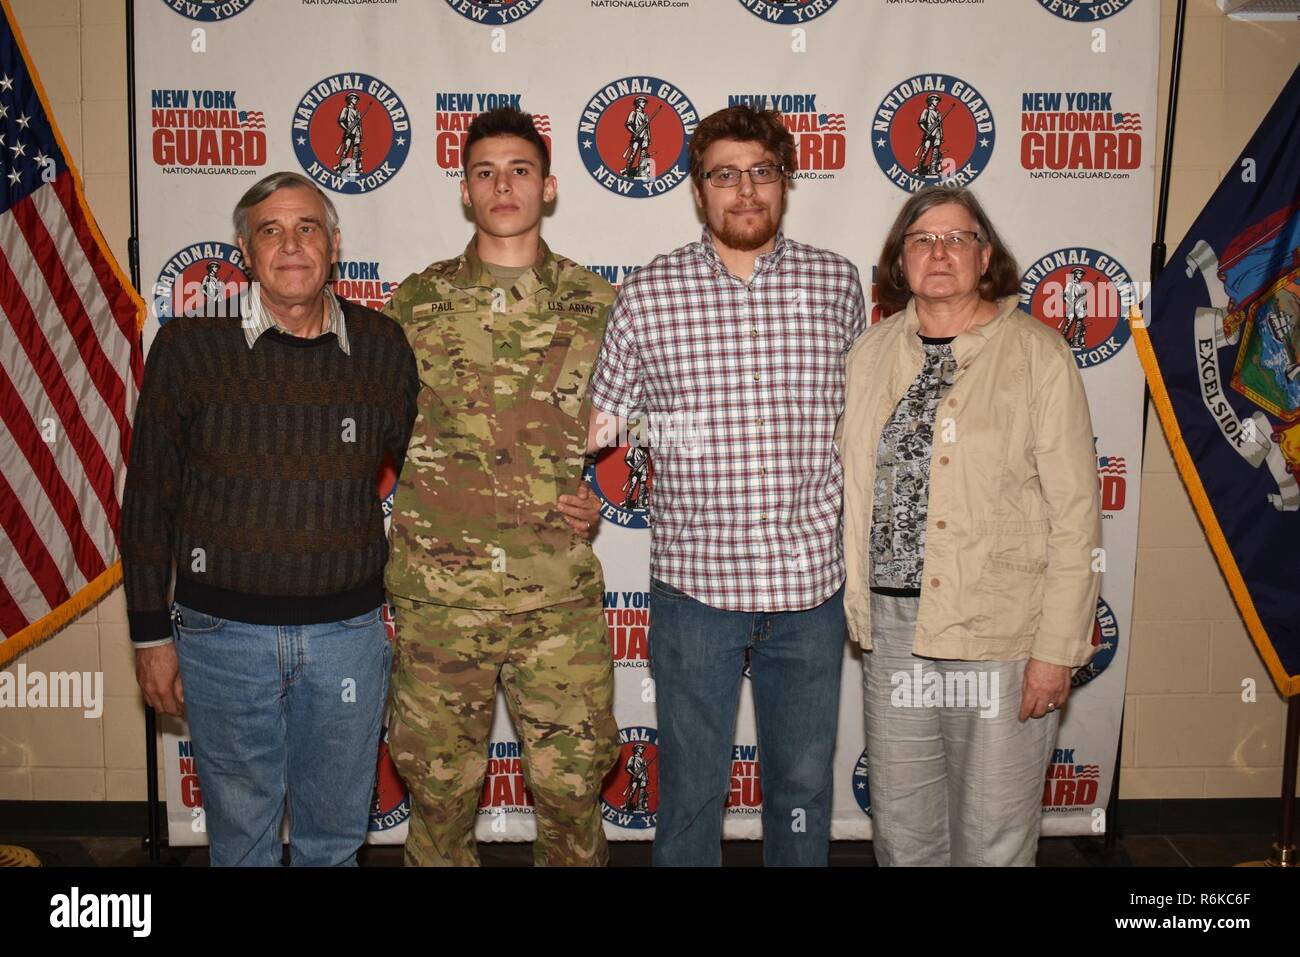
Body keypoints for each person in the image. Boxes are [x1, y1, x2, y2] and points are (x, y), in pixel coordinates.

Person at [589, 105, 866, 867]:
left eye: (761, 172)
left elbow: (866, 420)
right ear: (698, 190)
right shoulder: (647, 294)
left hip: (811, 591)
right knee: (687, 795)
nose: (745, 191)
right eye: (724, 175)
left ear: (786, 180)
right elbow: (599, 424)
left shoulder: (838, 285)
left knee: (805, 791)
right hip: (694, 594)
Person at [123, 170, 419, 866]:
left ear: (335, 243)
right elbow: (148, 498)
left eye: (307, 227)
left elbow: (431, 476)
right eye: (271, 231)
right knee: (241, 840)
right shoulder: (188, 349)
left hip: (348, 635)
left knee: (333, 838)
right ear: (244, 250)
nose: (291, 245)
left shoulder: (381, 346)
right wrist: (147, 636)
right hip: (220, 640)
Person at [839, 184, 1101, 866]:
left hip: (1001, 631)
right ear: (900, 260)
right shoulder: (870, 353)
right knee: (904, 828)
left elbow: (1076, 514)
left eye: (957, 238)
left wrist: (1057, 649)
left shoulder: (1038, 355)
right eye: (922, 239)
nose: (940, 252)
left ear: (986, 256)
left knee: (993, 831)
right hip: (895, 629)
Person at [382, 106, 617, 867]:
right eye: (485, 172)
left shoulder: (598, 305)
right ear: (465, 190)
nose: (503, 185)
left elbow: (651, 422)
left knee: (573, 792)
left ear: (547, 188)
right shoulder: (414, 306)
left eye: (520, 170)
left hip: (556, 599)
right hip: (440, 601)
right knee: (440, 797)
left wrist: (607, 492)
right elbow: (367, 425)